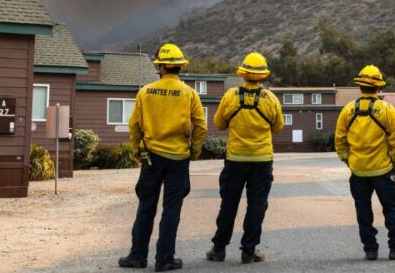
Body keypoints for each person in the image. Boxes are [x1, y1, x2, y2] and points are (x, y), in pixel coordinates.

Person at [119, 43, 207, 272]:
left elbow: (134, 126)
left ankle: (138, 256)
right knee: (172, 209)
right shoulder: (189, 93)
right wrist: (194, 151)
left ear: (161, 67)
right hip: (179, 158)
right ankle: (165, 259)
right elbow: (200, 125)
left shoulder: (145, 92)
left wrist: (138, 151)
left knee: (146, 206)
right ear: (179, 67)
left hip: (151, 158)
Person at [206, 52, 284, 264]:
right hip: (262, 160)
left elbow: (220, 124)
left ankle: (219, 249)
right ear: (263, 75)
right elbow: (278, 127)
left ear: (243, 74)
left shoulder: (231, 96)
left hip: (235, 160)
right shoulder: (270, 99)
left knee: (228, 204)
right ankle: (249, 251)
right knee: (257, 205)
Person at [335, 65, 395, 261]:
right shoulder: (387, 110)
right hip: (383, 170)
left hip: (358, 172)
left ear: (360, 86)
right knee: (392, 208)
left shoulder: (348, 110)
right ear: (379, 87)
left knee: (363, 210)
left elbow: (339, 140)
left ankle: (370, 249)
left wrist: (349, 161)